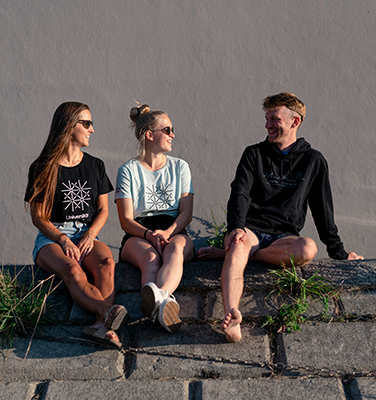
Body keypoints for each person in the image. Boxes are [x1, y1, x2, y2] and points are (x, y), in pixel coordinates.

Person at [209, 92, 364, 343]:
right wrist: (235, 228)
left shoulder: (313, 160)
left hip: (284, 237)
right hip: (252, 229)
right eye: (267, 119)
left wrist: (339, 253)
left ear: (295, 121)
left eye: (275, 119)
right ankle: (232, 316)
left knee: (307, 249)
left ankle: (237, 254)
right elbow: (239, 193)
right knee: (239, 243)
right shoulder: (253, 154)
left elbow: (322, 208)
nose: (268, 124)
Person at [25, 102, 129, 349]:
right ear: (70, 126)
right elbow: (38, 217)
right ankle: (108, 312)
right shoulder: (42, 167)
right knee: (73, 270)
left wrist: (90, 235)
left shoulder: (95, 165)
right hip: (52, 237)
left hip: (86, 233)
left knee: (106, 264)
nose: (92, 129)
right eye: (87, 123)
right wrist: (62, 239)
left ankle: (101, 327)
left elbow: (103, 210)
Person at [115, 104, 194, 334]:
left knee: (174, 251)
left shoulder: (181, 167)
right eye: (167, 130)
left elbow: (186, 213)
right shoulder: (127, 170)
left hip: (174, 229)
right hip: (139, 232)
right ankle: (165, 308)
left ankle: (158, 300)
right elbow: (126, 220)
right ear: (150, 135)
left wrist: (167, 233)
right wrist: (149, 234)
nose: (173, 135)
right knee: (150, 258)